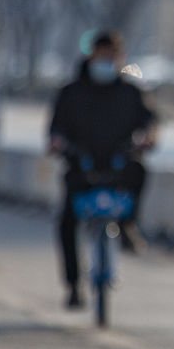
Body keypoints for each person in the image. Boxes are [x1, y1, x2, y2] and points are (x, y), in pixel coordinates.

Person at [48, 30, 157, 310]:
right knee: (67, 223)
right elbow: (56, 128)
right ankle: (73, 285)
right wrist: (58, 142)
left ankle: (128, 225)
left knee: (140, 172)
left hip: (119, 167)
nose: (107, 62)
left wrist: (147, 137)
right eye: (102, 56)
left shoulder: (131, 93)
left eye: (112, 56)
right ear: (91, 56)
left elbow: (149, 122)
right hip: (81, 169)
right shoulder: (71, 93)